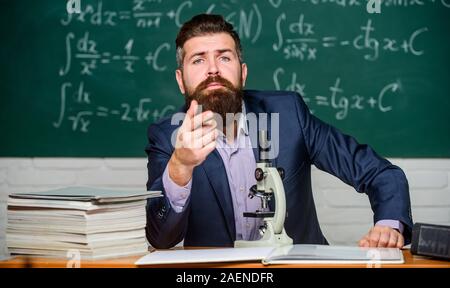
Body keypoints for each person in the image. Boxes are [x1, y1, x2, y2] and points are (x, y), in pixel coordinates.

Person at [145, 14, 413, 249]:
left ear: (243, 72)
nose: (213, 69)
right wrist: (180, 166)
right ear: (181, 80)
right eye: (198, 60)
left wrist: (388, 226)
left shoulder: (288, 114)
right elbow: (161, 238)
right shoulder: (167, 137)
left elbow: (380, 173)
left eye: (224, 57)